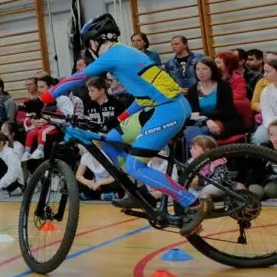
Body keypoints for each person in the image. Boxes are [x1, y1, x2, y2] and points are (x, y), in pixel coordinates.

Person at [23, 14, 208, 236]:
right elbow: (143, 97)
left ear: (93, 42)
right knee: (109, 140)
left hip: (168, 109)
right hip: (157, 107)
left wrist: (42, 100)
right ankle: (141, 193)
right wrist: (118, 120)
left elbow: (77, 78)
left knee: (134, 165)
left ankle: (193, 203)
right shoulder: (122, 52)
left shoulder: (113, 55)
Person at [184, 57, 242, 150]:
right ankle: (202, 157)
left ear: (213, 70)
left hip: (225, 122)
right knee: (190, 131)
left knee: (199, 133)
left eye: (205, 69)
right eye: (197, 69)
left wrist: (202, 115)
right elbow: (192, 114)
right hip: (202, 123)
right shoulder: (193, 90)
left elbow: (226, 111)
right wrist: (207, 120)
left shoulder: (223, 86)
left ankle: (201, 157)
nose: (200, 72)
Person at [251, 58, 277, 145]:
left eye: (268, 72)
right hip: (271, 124)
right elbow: (267, 114)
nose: (264, 74)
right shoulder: (266, 91)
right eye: (264, 71)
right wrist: (273, 128)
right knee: (258, 139)